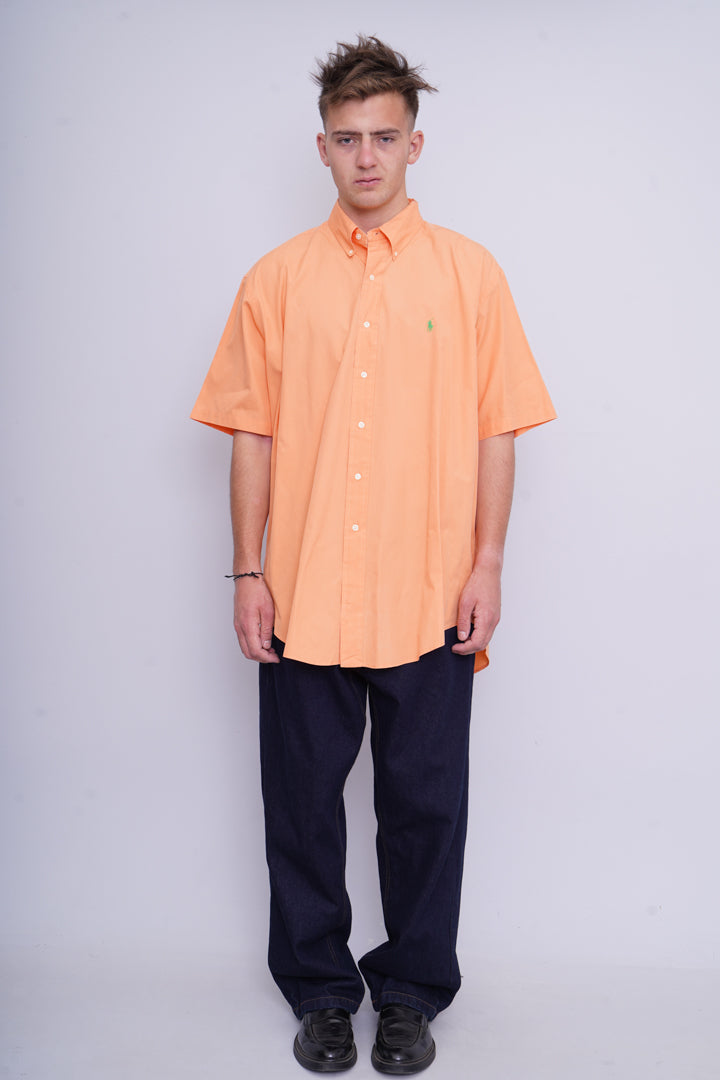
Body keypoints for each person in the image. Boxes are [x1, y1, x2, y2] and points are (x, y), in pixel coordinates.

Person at [191, 35, 555, 1075]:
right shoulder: (275, 281)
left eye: (383, 138)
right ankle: (319, 993)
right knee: (301, 809)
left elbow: (498, 429)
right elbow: (251, 434)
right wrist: (248, 573)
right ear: (322, 147)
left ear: (414, 145)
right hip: (303, 594)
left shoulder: (471, 275)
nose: (365, 157)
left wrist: (487, 565)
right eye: (347, 138)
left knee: (426, 810)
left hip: (429, 594)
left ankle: (410, 994)